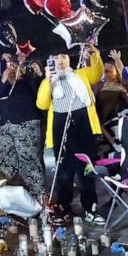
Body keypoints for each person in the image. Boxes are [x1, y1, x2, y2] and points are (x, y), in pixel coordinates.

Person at [37, 47, 104, 221]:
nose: (60, 60)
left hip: (83, 124)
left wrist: (94, 54)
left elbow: (97, 73)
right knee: (64, 171)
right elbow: (42, 104)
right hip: (61, 126)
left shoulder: (81, 73)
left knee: (86, 169)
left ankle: (91, 208)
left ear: (69, 58)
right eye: (56, 57)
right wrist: (47, 81)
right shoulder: (49, 80)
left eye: (64, 56)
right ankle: (62, 208)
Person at [0, 49, 44, 197]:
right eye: (8, 65)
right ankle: (11, 205)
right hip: (3, 127)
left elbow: (39, 89)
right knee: (5, 166)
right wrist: (3, 79)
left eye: (14, 65)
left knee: (29, 164)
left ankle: (36, 202)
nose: (11, 68)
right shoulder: (1, 83)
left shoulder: (28, 81)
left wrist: (27, 70)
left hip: (26, 125)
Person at [92, 49, 128, 134]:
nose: (108, 74)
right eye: (106, 71)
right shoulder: (99, 86)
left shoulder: (124, 85)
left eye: (110, 70)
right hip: (110, 127)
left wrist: (117, 60)